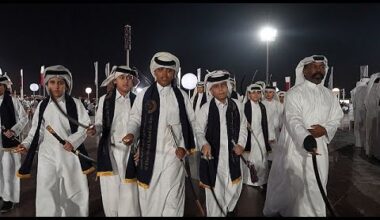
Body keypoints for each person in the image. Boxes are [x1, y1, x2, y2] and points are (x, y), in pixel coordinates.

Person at [263, 55, 343, 217]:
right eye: (314, 67)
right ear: (304, 71)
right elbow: (293, 118)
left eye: (322, 67)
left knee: (316, 182)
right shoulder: (294, 93)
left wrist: (326, 129)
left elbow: (337, 117)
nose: (318, 70)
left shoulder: (329, 95)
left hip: (319, 147)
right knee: (291, 184)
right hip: (295, 146)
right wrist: (305, 138)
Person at [123, 52, 197, 216]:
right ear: (154, 72)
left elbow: (191, 124)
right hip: (150, 155)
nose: (165, 74)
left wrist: (184, 148)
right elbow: (135, 119)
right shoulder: (144, 95)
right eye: (161, 70)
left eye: (169, 71)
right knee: (150, 198)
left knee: (173, 197)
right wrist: (131, 133)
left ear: (174, 73)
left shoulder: (181, 96)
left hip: (174, 156)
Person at [14, 65, 94, 216]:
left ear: (67, 85)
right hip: (47, 155)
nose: (56, 86)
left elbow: (85, 127)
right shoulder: (42, 105)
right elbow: (36, 131)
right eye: (52, 82)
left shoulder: (76, 104)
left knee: (74, 192)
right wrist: (26, 144)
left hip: (71, 156)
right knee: (46, 193)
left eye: (60, 82)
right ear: (47, 85)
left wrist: (72, 141)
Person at [86, 65, 141, 216]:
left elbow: (144, 128)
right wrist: (94, 130)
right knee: (111, 192)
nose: (126, 81)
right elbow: (99, 125)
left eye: (129, 78)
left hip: (132, 152)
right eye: (122, 77)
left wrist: (141, 148)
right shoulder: (105, 100)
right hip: (110, 151)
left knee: (130, 193)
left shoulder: (138, 101)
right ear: (115, 81)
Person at [196, 70, 247, 217]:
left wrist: (241, 144)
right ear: (211, 90)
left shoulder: (237, 105)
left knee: (234, 188)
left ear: (228, 86)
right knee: (215, 194)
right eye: (216, 86)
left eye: (223, 85)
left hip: (232, 156)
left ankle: (228, 211)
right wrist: (204, 143)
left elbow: (243, 126)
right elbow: (198, 130)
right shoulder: (205, 108)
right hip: (214, 157)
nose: (221, 89)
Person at [0, 73, 28, 213]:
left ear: (5, 87)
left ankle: (9, 199)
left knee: (9, 171)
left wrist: (13, 131)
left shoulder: (13, 101)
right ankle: (2, 195)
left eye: (0, 85)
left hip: (10, 143)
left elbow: (24, 118)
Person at [242, 83, 270, 188]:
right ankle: (250, 180)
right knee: (251, 158)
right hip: (250, 137)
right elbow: (240, 121)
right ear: (249, 94)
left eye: (258, 93)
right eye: (253, 93)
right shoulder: (245, 106)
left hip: (261, 136)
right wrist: (245, 124)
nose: (256, 95)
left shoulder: (262, 106)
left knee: (262, 158)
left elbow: (265, 123)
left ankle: (261, 180)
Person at [363, 72, 380, 158]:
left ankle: (371, 151)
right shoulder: (374, 89)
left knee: (371, 133)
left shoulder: (369, 90)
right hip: (374, 115)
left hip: (372, 115)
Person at [352, 77, 370, 148]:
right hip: (365, 110)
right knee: (365, 127)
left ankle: (358, 143)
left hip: (357, 111)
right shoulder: (367, 89)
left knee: (358, 127)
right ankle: (365, 144)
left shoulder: (355, 89)